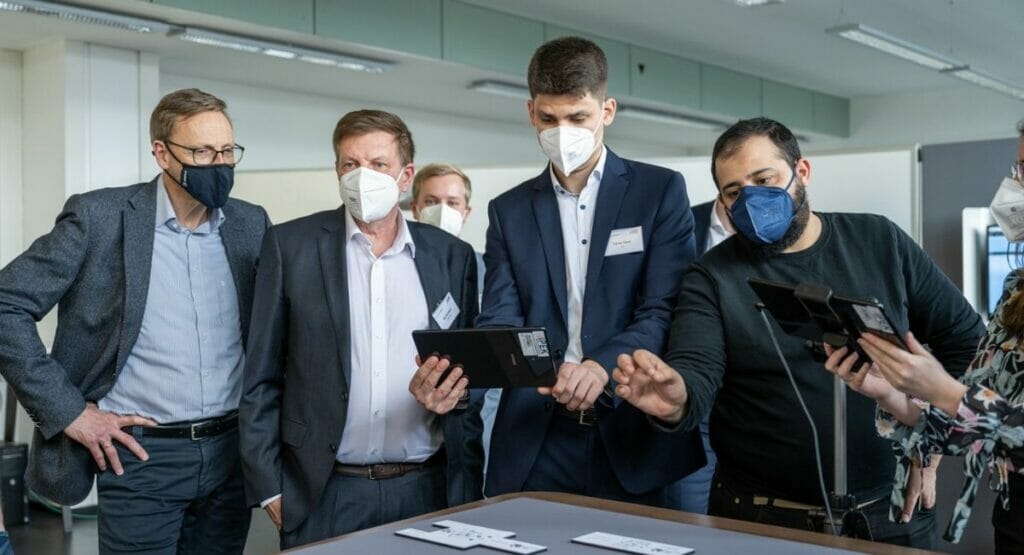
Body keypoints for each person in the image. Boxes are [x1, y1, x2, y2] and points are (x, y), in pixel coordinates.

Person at [612, 117, 985, 548]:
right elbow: (696, 371)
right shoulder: (712, 276)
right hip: (760, 518)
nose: (751, 200)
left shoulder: (879, 240)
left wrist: (929, 440)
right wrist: (675, 400)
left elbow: (969, 344)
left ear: (801, 172)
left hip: (891, 513)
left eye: (764, 180)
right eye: (734, 192)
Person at [0, 88, 269, 554]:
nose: (219, 164)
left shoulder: (250, 224)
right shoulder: (99, 218)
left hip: (231, 455)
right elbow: (6, 304)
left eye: (227, 151)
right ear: (161, 153)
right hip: (142, 455)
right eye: (202, 152)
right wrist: (70, 412)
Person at [239, 109, 484, 549]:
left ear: (405, 176)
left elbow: (472, 375)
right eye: (350, 164)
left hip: (426, 488)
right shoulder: (291, 246)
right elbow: (260, 375)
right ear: (336, 170)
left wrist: (455, 399)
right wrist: (270, 486)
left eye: (378, 164)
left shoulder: (451, 256)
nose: (361, 176)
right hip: (323, 491)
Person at [477, 36, 705, 506]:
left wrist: (600, 366)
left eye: (578, 117)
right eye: (549, 119)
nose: (562, 131)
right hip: (537, 438)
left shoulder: (658, 191)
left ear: (607, 110)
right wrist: (546, 370)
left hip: (631, 430)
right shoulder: (508, 211)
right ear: (531, 112)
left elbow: (663, 309)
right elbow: (501, 318)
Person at [824, 119, 1024, 551]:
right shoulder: (1017, 290)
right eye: (1019, 168)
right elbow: (980, 423)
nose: (1016, 185)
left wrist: (944, 390)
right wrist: (893, 394)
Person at [409, 163, 500, 470]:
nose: (442, 210)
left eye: (452, 202)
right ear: (415, 207)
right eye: (431, 201)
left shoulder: (490, 271)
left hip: (474, 419)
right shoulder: (397, 267)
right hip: (409, 420)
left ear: (466, 211)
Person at [668, 198, 734, 514]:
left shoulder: (787, 233)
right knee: (691, 517)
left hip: (757, 406)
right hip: (694, 403)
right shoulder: (680, 223)